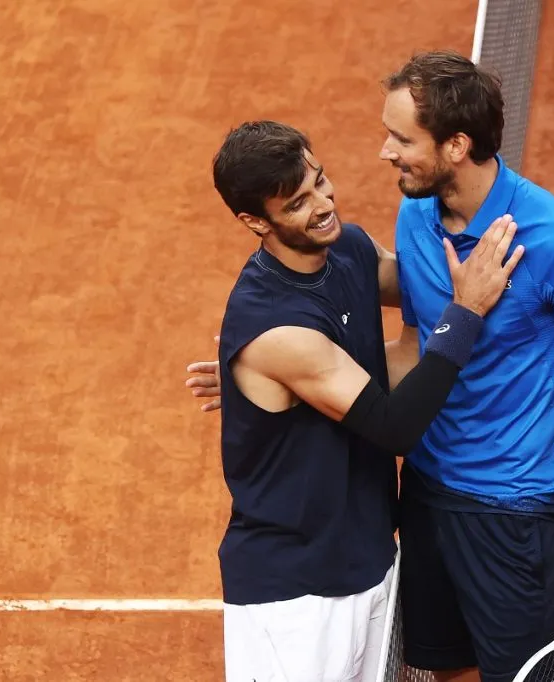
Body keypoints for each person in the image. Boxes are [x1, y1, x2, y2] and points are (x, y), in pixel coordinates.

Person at [189, 52, 554, 682]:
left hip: (517, 510)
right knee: (435, 670)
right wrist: (261, 367)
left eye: (401, 138)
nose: (383, 152)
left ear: (455, 145)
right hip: (424, 497)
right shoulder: (416, 215)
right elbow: (407, 336)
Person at [202, 119, 524, 682]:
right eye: (298, 203)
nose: (324, 204)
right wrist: (466, 312)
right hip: (296, 596)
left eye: (320, 182)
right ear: (256, 221)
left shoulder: (348, 250)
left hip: (369, 561)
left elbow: (422, 292)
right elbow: (394, 426)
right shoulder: (276, 329)